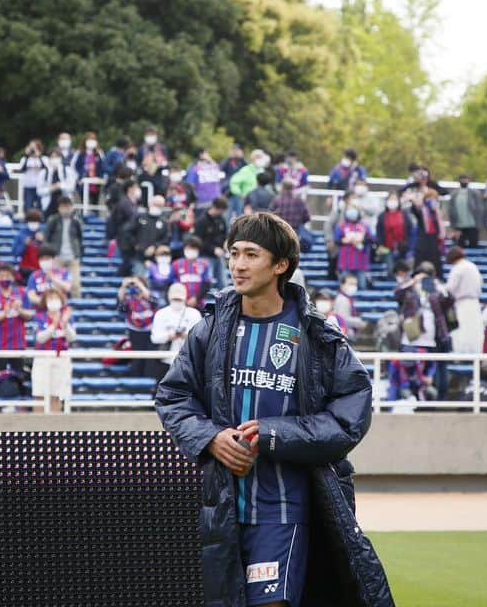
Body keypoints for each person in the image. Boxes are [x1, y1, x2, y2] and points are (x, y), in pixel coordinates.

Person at [154, 211, 391, 607]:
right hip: (220, 507)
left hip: (283, 509)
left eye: (251, 254)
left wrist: (273, 434)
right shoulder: (209, 330)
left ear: (280, 265)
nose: (238, 264)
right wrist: (211, 438)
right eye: (234, 253)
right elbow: (173, 396)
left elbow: (350, 417)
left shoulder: (317, 336)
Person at [393, 263, 452, 401]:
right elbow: (397, 293)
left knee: (429, 373)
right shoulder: (410, 289)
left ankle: (429, 399)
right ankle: (409, 397)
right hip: (411, 337)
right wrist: (413, 281)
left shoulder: (436, 290)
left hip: (431, 338)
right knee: (408, 369)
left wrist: (438, 286)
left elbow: (449, 301)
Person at [0, 265, 32, 399]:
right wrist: (3, 313)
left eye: (7, 275)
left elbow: (29, 315)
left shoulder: (22, 294)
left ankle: (19, 402)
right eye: (1, 276)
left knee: (19, 375)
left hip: (18, 342)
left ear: (12, 276)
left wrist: (19, 309)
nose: (4, 278)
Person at [31, 289, 76, 413]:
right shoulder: (39, 317)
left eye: (56, 298)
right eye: (50, 298)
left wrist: (65, 324)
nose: (53, 301)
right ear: (45, 301)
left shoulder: (67, 316)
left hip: (61, 359)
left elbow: (72, 338)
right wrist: (54, 325)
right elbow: (40, 338)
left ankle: (54, 428)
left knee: (56, 395)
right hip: (42, 358)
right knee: (40, 393)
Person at [149, 282, 203, 385]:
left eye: (179, 299)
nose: (177, 301)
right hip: (165, 360)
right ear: (169, 297)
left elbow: (201, 338)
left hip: (188, 361)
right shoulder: (161, 314)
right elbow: (155, 338)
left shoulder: (194, 314)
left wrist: (186, 335)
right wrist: (170, 336)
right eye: (175, 299)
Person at [444, 246, 484, 354]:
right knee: (474, 330)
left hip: (462, 302)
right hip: (474, 303)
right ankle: (475, 352)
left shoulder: (458, 268)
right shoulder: (473, 266)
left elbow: (450, 288)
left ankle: (461, 353)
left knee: (462, 330)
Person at [119, 195, 171, 277]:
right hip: (138, 256)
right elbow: (127, 232)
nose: (157, 207)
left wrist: (155, 247)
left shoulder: (164, 222)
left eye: (160, 205)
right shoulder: (140, 217)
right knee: (140, 278)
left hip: (157, 258)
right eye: (155, 204)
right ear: (150, 203)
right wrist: (136, 244)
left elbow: (166, 238)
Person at [43, 195, 84, 299]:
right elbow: (46, 237)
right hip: (57, 257)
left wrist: (79, 254)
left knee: (75, 285)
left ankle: (77, 307)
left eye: (68, 206)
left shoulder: (76, 221)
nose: (66, 209)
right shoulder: (53, 220)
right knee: (57, 285)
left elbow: (80, 238)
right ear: (59, 208)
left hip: (73, 257)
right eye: (63, 206)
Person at [118, 275, 158, 377]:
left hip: (151, 330)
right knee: (137, 357)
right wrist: (124, 286)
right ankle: (137, 379)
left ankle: (148, 378)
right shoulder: (128, 299)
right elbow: (120, 304)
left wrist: (140, 284)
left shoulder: (151, 297)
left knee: (150, 358)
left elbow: (154, 302)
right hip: (135, 331)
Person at [334, 205, 373, 290]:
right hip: (345, 262)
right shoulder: (341, 226)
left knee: (362, 286)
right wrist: (344, 240)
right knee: (344, 287)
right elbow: (336, 240)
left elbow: (371, 239)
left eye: (354, 209)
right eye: (349, 209)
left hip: (361, 262)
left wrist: (362, 239)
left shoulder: (364, 226)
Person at [193, 197, 229, 290]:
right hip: (206, 255)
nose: (221, 213)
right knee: (207, 282)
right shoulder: (202, 221)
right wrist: (213, 249)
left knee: (223, 283)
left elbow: (224, 234)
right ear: (214, 207)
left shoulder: (221, 219)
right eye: (220, 210)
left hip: (219, 255)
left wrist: (226, 242)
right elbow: (198, 241)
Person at [411, 187, 446, 276]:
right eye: (430, 198)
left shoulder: (437, 212)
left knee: (436, 266)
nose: (432, 200)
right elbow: (414, 210)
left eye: (435, 198)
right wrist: (416, 201)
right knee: (419, 266)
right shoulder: (422, 210)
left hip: (434, 243)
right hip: (422, 242)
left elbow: (440, 228)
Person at [172, 236, 213, 309]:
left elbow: (207, 284)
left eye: (194, 248)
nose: (191, 250)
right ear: (184, 249)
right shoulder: (176, 264)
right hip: (180, 303)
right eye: (189, 248)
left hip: (199, 304)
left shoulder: (204, 264)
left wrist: (196, 299)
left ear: (198, 250)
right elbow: (172, 284)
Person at [447, 173, 484, 248]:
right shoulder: (454, 194)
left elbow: (479, 209)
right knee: (459, 247)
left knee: (473, 246)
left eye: (466, 179)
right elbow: (451, 210)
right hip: (459, 226)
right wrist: (453, 226)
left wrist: (479, 224)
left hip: (472, 225)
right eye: (462, 179)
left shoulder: (475, 193)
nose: (464, 181)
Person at [12, 209, 46, 282]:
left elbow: (50, 252)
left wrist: (43, 242)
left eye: (36, 221)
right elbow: (15, 253)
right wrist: (25, 244)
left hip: (41, 268)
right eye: (31, 221)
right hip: (26, 269)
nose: (33, 223)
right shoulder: (21, 234)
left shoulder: (43, 233)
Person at [333, 272, 367, 341]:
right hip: (344, 334)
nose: (354, 287)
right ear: (342, 285)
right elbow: (343, 319)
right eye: (351, 284)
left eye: (355, 284)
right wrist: (360, 322)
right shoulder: (342, 299)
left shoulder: (346, 298)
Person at [18, 139, 49, 212]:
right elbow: (22, 169)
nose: (33, 150)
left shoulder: (44, 158)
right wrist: (26, 155)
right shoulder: (25, 159)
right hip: (28, 186)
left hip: (40, 186)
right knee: (28, 206)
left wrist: (39, 156)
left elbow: (47, 169)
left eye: (35, 147)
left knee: (40, 206)